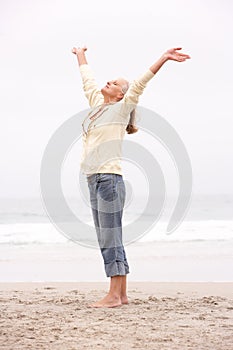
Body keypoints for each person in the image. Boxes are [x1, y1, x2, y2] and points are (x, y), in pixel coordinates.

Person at [72, 46, 191, 308]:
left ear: (120, 94)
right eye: (111, 79)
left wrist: (163, 58)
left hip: (108, 180)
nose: (109, 82)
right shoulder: (96, 105)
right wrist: (80, 54)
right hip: (94, 179)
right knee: (107, 236)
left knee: (110, 236)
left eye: (115, 83)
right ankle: (122, 295)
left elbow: (139, 83)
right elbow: (87, 79)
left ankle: (113, 295)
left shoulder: (122, 107)